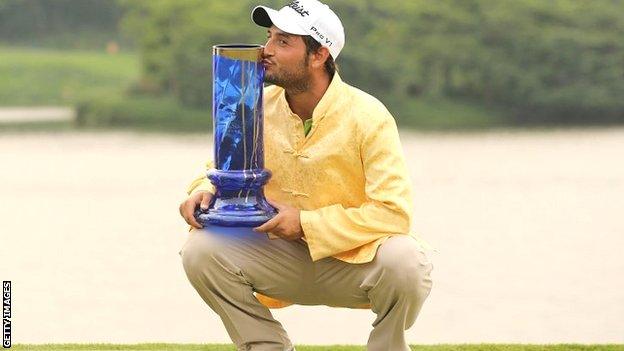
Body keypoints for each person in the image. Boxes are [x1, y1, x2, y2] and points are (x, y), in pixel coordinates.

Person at [178, 1, 434, 350]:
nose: (266, 51)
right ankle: (265, 346)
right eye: (269, 38)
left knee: (407, 260)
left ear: (319, 55)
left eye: (283, 42)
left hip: (353, 262)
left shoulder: (369, 116)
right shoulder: (256, 103)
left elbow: (393, 213)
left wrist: (306, 224)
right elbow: (218, 169)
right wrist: (203, 190)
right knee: (199, 250)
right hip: (276, 257)